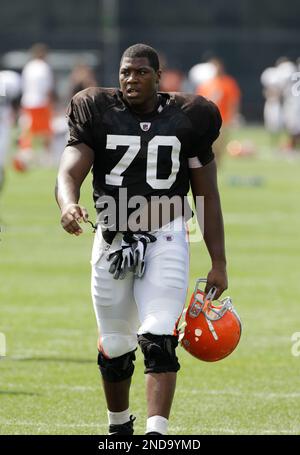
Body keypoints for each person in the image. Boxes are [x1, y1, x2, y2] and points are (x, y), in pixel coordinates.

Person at [55, 43, 228, 435]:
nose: (131, 79)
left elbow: (206, 195)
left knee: (158, 336)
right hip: (113, 239)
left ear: (158, 76)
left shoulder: (189, 116)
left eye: (141, 72)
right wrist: (68, 204)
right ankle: (119, 428)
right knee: (116, 346)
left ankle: (156, 434)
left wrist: (219, 262)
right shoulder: (96, 110)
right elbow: (69, 172)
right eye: (125, 72)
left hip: (166, 235)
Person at [197, 58, 241, 164]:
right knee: (211, 144)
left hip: (224, 118)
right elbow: (200, 101)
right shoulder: (206, 84)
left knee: (220, 145)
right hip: (209, 119)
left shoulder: (228, 82)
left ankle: (217, 166)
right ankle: (211, 165)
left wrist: (234, 116)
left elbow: (234, 101)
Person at [20, 43, 54, 157]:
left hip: (28, 101)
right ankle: (46, 154)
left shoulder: (28, 67)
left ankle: (26, 152)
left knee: (28, 128)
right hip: (42, 102)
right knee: (46, 130)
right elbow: (48, 88)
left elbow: (23, 85)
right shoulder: (45, 67)